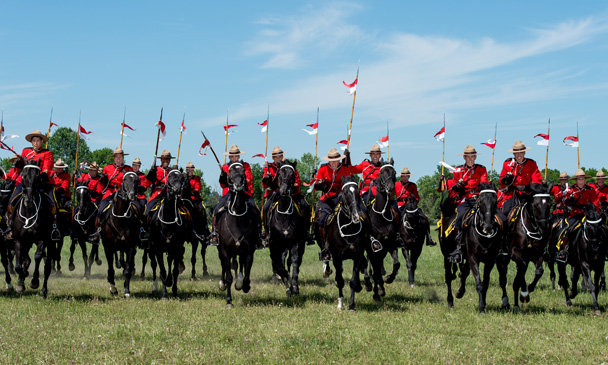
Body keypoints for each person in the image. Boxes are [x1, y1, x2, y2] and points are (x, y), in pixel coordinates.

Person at [439, 145, 495, 263]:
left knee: (493, 215)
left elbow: (484, 183)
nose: (470, 159)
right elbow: (454, 187)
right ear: (464, 157)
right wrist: (458, 186)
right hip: (466, 198)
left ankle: (497, 244)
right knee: (459, 216)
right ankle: (459, 245)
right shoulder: (458, 170)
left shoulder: (481, 169)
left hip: (479, 198)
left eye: (472, 157)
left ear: (475, 157)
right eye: (468, 157)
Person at [6, 130, 60, 240]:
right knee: (12, 201)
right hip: (26, 183)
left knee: (52, 203)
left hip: (41, 182)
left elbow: (47, 168)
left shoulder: (47, 153)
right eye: (33, 141)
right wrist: (18, 163)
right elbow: (21, 167)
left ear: (41, 142)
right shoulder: (26, 151)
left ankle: (54, 226)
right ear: (31, 142)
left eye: (37, 141)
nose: (35, 143)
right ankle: (11, 225)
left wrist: (41, 177)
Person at [313, 147, 363, 260]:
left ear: (340, 160)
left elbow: (354, 174)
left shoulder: (344, 169)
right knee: (320, 219)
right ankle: (324, 248)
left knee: (358, 213)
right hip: (327, 198)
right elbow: (315, 185)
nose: (334, 163)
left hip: (341, 198)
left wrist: (348, 158)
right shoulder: (323, 169)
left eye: (336, 160)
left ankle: (360, 241)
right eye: (331, 160)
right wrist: (320, 184)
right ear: (328, 161)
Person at [210, 144, 262, 248]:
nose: (234, 158)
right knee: (217, 209)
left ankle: (258, 235)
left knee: (255, 209)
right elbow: (222, 184)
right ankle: (215, 233)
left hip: (244, 193)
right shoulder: (225, 166)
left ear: (239, 156)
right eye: (232, 156)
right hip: (229, 193)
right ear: (229, 157)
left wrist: (240, 183)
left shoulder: (245, 166)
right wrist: (223, 177)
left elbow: (249, 180)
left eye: (236, 156)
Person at [260, 146, 313, 246]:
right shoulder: (268, 167)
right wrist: (266, 179)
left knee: (305, 205)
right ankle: (267, 233)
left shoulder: (289, 166)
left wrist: (292, 186)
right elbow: (264, 185)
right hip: (274, 194)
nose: (278, 158)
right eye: (276, 157)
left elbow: (298, 181)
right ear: (273, 158)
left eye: (280, 156)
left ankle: (306, 232)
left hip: (290, 193)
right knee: (266, 208)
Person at [89, 147, 143, 243]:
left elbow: (132, 181)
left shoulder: (128, 169)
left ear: (123, 158)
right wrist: (103, 179)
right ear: (114, 158)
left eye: (120, 157)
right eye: (116, 157)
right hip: (110, 193)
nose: (118, 159)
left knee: (137, 208)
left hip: (124, 194)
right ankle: (97, 231)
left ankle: (139, 230)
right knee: (101, 209)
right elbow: (102, 185)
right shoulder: (107, 168)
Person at [554, 169, 598, 262]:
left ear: (585, 180)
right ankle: (563, 250)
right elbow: (565, 203)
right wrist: (570, 198)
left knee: (598, 228)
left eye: (582, 179)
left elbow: (595, 203)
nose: (581, 181)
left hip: (587, 215)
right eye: (579, 179)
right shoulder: (571, 189)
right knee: (567, 230)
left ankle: (600, 250)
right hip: (575, 215)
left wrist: (591, 209)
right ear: (576, 180)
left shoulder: (590, 190)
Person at [498, 140, 542, 216]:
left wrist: (527, 187)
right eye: (516, 153)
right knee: (504, 215)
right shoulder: (507, 164)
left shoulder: (531, 164)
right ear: (513, 153)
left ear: (524, 153)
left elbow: (537, 181)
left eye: (521, 152)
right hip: (512, 196)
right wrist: (506, 179)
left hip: (528, 196)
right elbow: (501, 183)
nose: (519, 155)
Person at [395, 167, 435, 246]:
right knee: (395, 218)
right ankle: (396, 237)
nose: (405, 178)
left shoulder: (413, 185)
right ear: (401, 177)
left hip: (411, 206)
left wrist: (414, 202)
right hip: (400, 205)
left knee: (424, 218)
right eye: (403, 176)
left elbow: (417, 197)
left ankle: (428, 237)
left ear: (409, 177)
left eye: (407, 176)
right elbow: (390, 195)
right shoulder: (396, 184)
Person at [184, 161, 210, 242]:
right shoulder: (183, 177)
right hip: (185, 199)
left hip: (194, 199)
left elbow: (197, 188)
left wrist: (193, 192)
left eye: (192, 170)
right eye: (189, 170)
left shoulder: (197, 178)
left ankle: (204, 228)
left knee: (202, 208)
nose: (190, 171)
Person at [145, 149, 174, 217]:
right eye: (164, 159)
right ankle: (144, 226)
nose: (166, 161)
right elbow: (147, 184)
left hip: (168, 195)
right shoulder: (156, 170)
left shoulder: (172, 171)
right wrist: (150, 174)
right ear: (161, 160)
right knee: (147, 210)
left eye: (167, 159)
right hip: (157, 195)